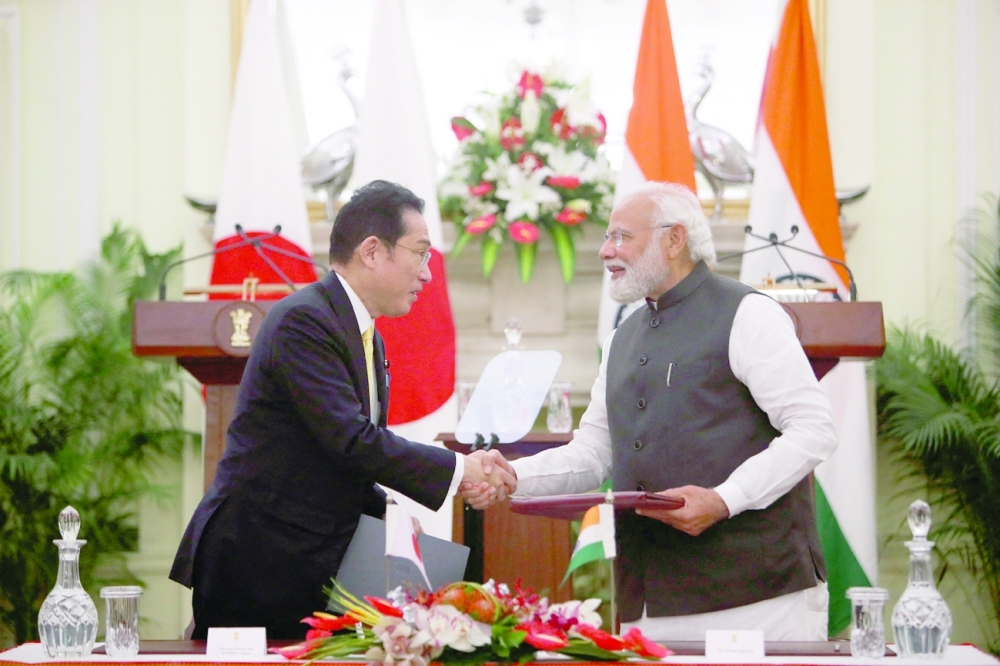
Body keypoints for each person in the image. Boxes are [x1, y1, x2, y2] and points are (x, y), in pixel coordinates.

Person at [468, 181, 838, 640]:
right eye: (607, 237)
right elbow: (592, 453)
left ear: (675, 238)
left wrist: (724, 499)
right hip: (647, 602)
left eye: (621, 236)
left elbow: (814, 429)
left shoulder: (748, 314)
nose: (605, 251)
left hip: (754, 597)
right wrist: (513, 476)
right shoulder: (623, 337)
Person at [170, 180, 514, 639]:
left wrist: (390, 511)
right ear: (372, 251)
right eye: (420, 253)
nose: (428, 273)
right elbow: (350, 440)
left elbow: (334, 459)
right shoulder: (305, 321)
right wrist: (460, 470)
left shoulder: (363, 333)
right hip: (258, 563)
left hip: (306, 563)